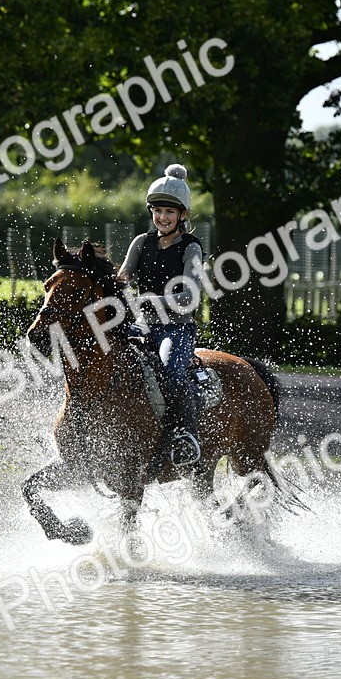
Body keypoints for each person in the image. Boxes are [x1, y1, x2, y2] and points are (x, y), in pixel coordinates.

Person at [117, 163, 204, 467]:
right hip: (141, 327)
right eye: (157, 211)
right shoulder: (141, 243)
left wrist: (152, 300)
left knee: (171, 371)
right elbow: (122, 280)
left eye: (169, 212)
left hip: (175, 331)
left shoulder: (191, 248)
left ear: (182, 216)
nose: (162, 218)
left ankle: (185, 436)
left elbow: (190, 296)